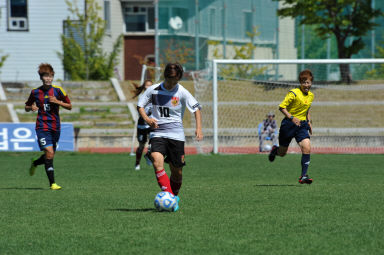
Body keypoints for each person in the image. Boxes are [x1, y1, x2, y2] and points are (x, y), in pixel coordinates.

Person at [137, 62, 203, 211]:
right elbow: (140, 106)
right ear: (165, 77)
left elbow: (196, 109)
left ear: (179, 79)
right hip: (158, 133)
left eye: (175, 81)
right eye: (169, 80)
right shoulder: (153, 90)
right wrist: (148, 120)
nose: (172, 84)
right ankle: (169, 196)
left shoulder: (182, 91)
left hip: (176, 136)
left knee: (177, 172)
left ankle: (173, 196)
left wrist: (199, 128)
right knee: (156, 161)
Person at [25, 63, 72, 190]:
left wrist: (58, 102)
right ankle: (53, 184)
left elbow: (70, 106)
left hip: (55, 127)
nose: (48, 79)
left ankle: (35, 162)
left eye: (51, 76)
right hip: (42, 127)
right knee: (49, 152)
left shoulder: (58, 90)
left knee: (49, 155)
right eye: (46, 76)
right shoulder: (35, 92)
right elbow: (26, 107)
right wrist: (31, 107)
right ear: (41, 77)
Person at [268, 69, 314, 184]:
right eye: (304, 82)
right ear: (300, 83)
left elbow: (307, 109)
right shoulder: (293, 93)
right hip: (288, 125)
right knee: (282, 153)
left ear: (311, 83)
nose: (306, 85)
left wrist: (309, 121)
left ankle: (303, 176)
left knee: (307, 147)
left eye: (308, 82)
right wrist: (292, 117)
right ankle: (275, 150)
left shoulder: (311, 96)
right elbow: (282, 107)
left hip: (302, 125)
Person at [131, 79, 154, 170]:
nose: (148, 87)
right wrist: (146, 115)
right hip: (142, 125)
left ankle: (148, 155)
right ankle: (137, 164)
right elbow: (140, 110)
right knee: (141, 146)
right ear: (144, 86)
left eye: (150, 85)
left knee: (154, 143)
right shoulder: (142, 97)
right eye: (147, 85)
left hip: (151, 124)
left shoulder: (156, 96)